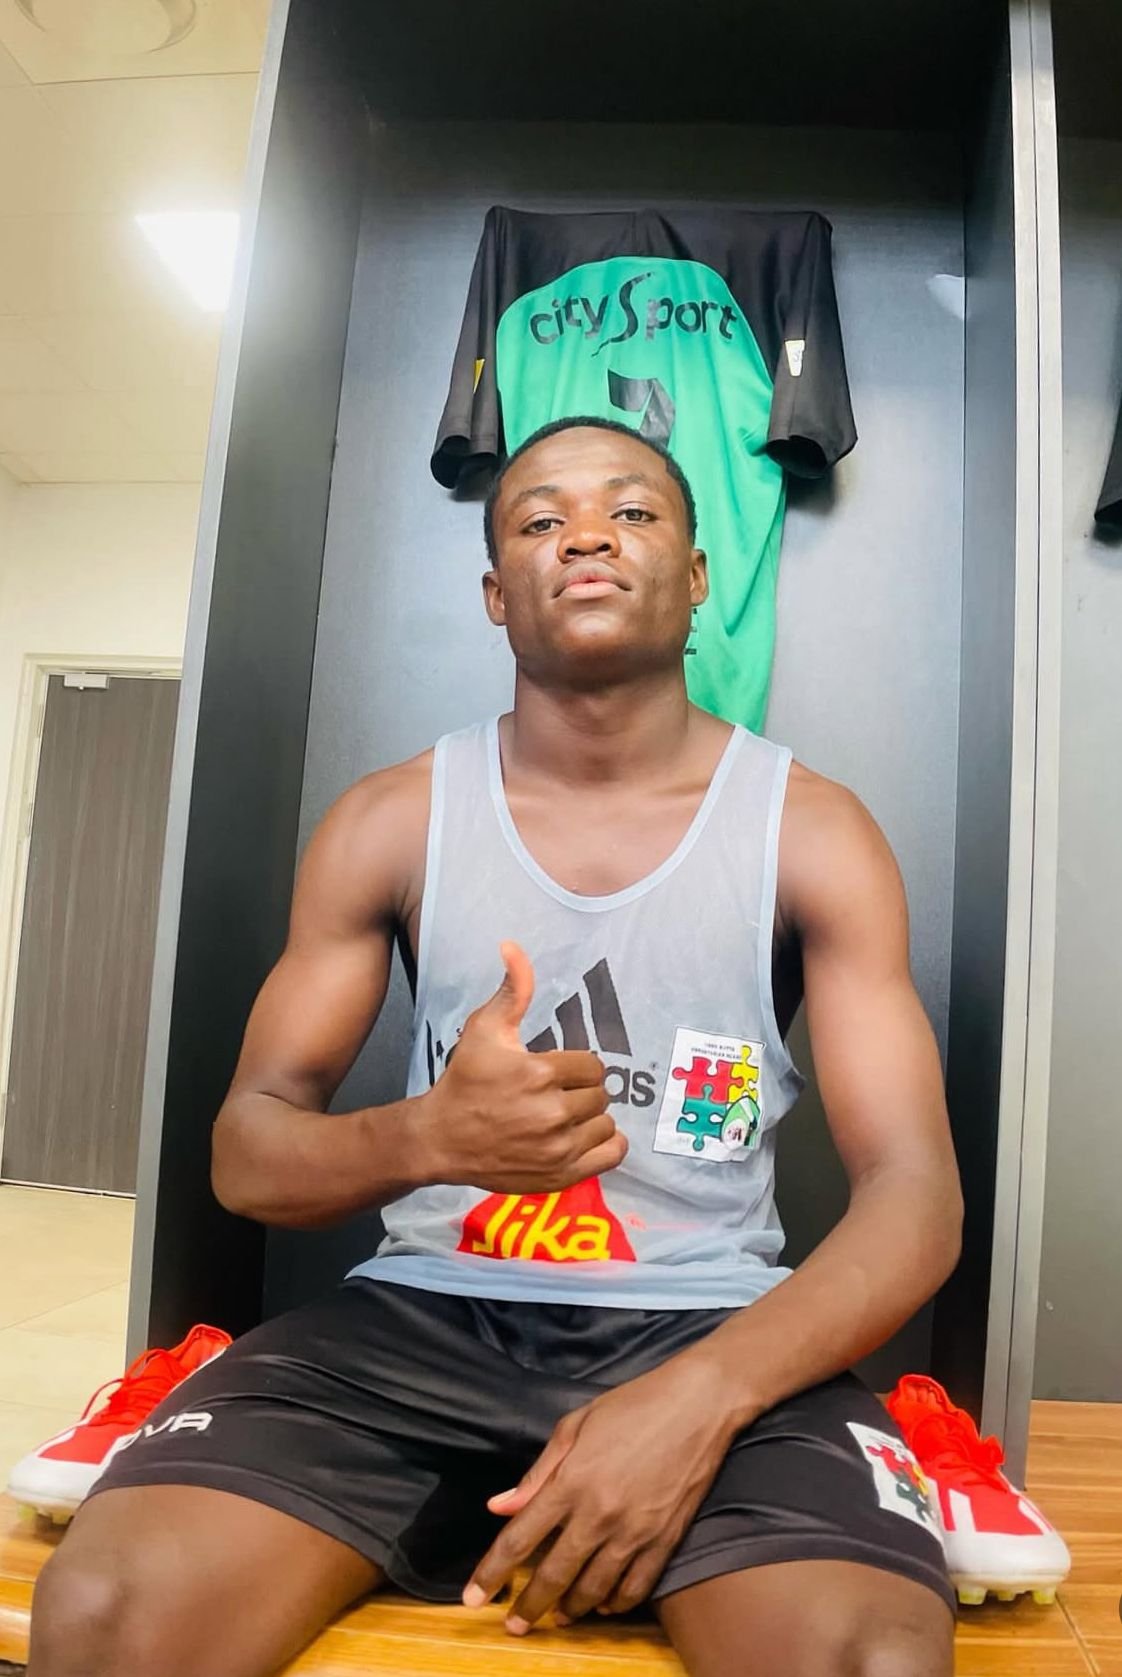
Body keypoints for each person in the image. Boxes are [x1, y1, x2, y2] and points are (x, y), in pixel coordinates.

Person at [28, 417, 963, 1677]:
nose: (585, 536)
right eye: (539, 519)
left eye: (632, 512)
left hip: (711, 1329)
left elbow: (915, 1195)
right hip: (415, 1326)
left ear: (697, 577)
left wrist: (700, 1400)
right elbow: (246, 1156)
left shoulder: (814, 829)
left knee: (869, 1660)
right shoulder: (390, 819)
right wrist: (429, 1136)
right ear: (493, 592)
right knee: (106, 1616)